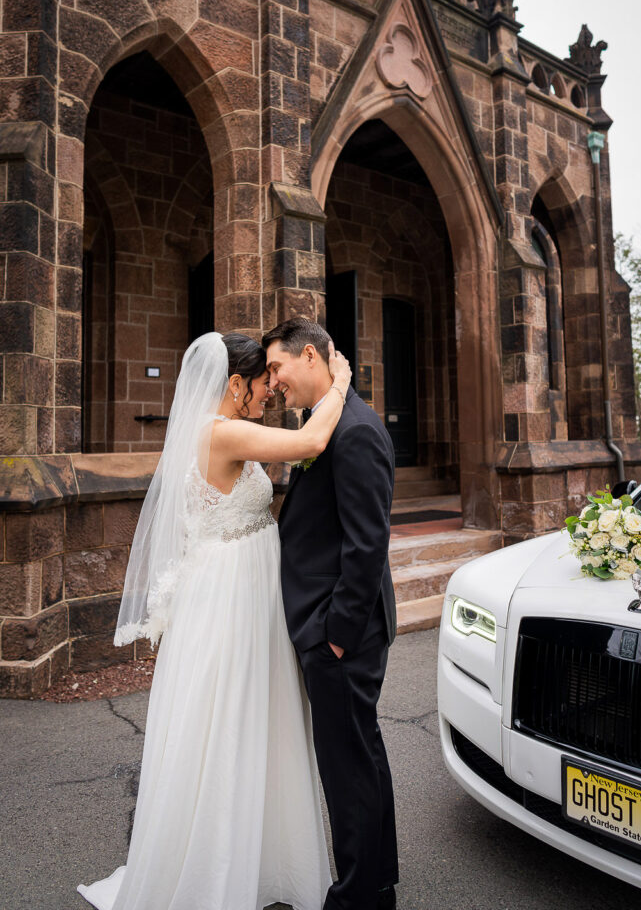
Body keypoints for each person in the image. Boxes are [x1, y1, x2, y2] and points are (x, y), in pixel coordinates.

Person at [77, 330, 351, 910]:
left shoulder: (217, 431)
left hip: (240, 587)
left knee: (249, 712)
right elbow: (309, 442)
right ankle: (213, 867)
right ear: (234, 384)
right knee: (227, 714)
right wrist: (341, 383)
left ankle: (255, 857)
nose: (268, 393)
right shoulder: (220, 431)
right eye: (261, 383)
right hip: (229, 596)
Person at [262, 317, 399, 910]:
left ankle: (360, 896)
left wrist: (334, 637)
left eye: (276, 368)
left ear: (311, 355)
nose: (271, 384)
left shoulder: (356, 431)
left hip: (343, 633)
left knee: (348, 769)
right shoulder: (328, 424)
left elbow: (367, 546)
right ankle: (375, 883)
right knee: (356, 760)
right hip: (332, 628)